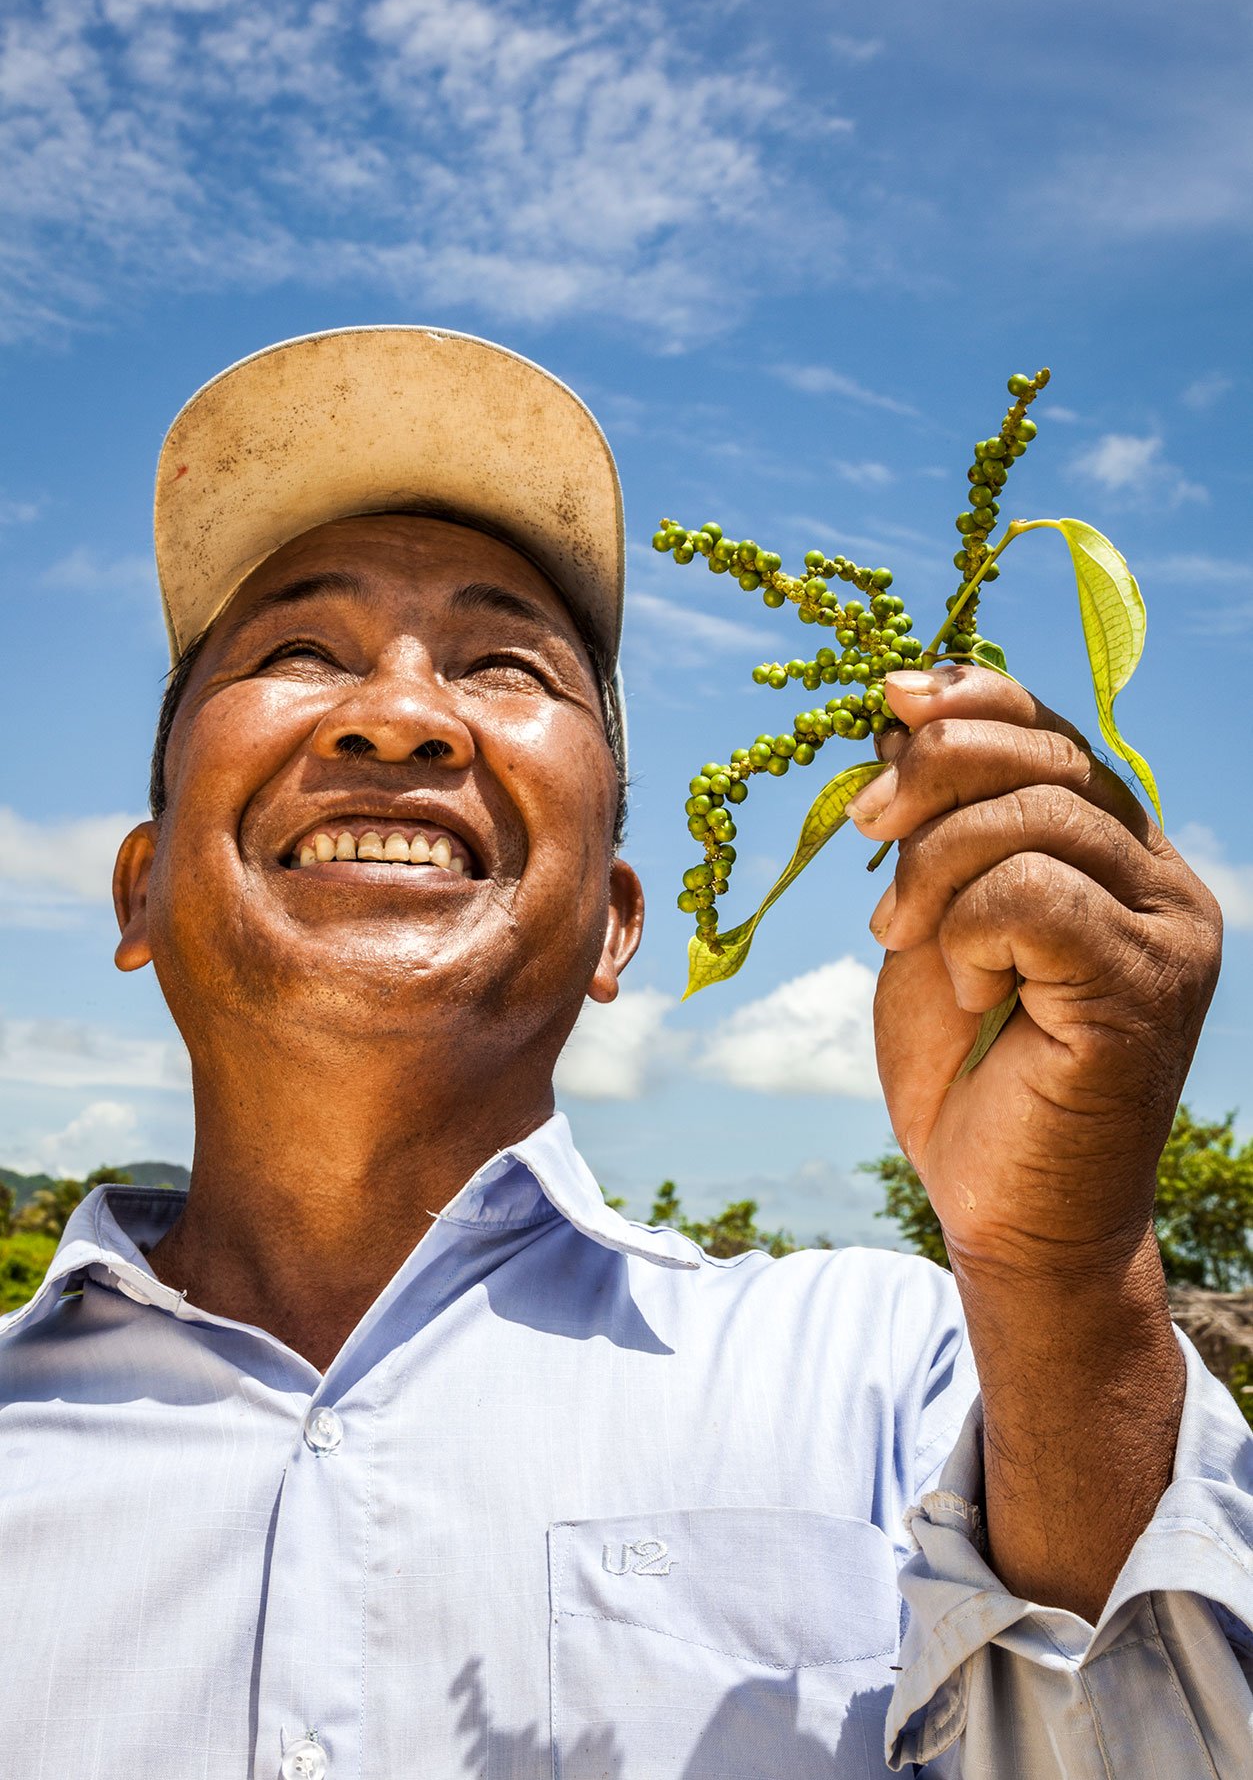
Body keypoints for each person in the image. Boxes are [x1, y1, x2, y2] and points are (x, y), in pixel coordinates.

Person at [1, 325, 1250, 1780]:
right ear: (138, 889)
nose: (401, 717)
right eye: (294, 651)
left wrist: (1060, 1262)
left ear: (612, 927)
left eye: (502, 664)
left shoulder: (906, 1381)